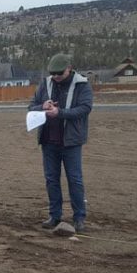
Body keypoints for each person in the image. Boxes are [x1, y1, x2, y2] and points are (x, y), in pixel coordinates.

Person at [28, 53, 93, 233]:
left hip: (71, 141)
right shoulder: (45, 83)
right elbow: (30, 106)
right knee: (51, 179)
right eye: (53, 73)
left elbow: (85, 108)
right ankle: (54, 216)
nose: (56, 77)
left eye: (60, 73)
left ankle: (79, 217)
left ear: (69, 69)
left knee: (75, 179)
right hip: (48, 141)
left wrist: (61, 113)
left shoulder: (82, 84)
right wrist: (42, 106)